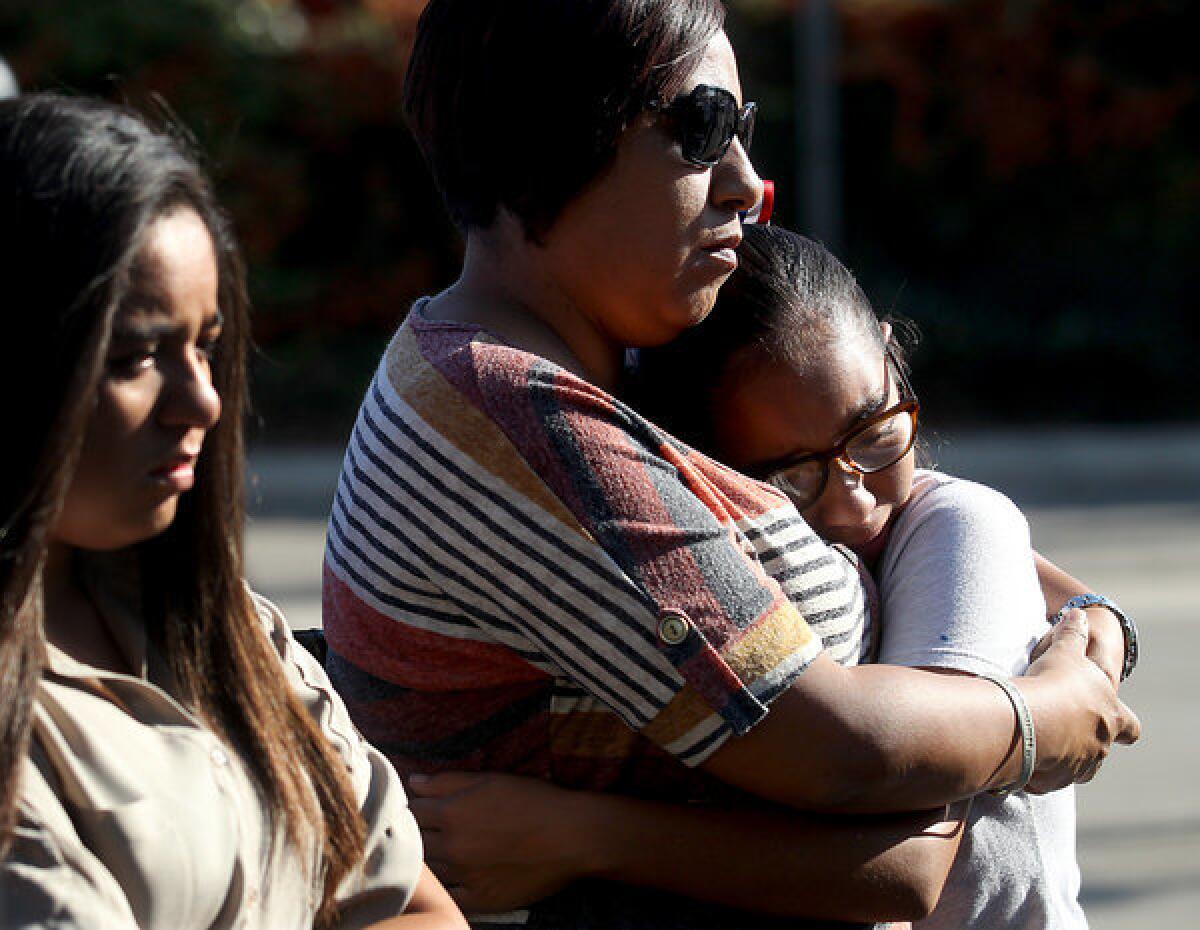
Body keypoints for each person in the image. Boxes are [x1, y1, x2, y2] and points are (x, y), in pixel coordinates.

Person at [322, 2, 1137, 926]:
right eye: (702, 129)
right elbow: (863, 783)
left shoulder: (573, 370)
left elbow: (943, 523)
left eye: (743, 131)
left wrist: (1092, 625)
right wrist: (1045, 716)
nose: (749, 183)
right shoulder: (518, 417)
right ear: (550, 140)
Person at [408, 225, 1124, 928]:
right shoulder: (778, 556)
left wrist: (584, 836)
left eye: (875, 432)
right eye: (792, 476)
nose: (853, 500)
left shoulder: (954, 524)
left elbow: (910, 865)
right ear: (708, 478)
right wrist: (1096, 616)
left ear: (889, 355)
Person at [0, 93, 467, 930]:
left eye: (207, 344)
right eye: (137, 356)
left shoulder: (232, 631)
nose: (203, 401)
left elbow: (414, 906)